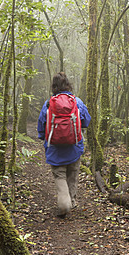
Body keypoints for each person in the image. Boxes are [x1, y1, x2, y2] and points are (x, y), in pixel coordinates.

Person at [37, 72, 91, 217]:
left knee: (60, 176)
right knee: (72, 174)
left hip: (55, 149)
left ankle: (64, 204)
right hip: (74, 147)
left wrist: (44, 138)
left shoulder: (48, 103)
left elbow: (42, 125)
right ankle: (71, 201)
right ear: (68, 84)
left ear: (54, 86)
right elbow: (86, 122)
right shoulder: (77, 102)